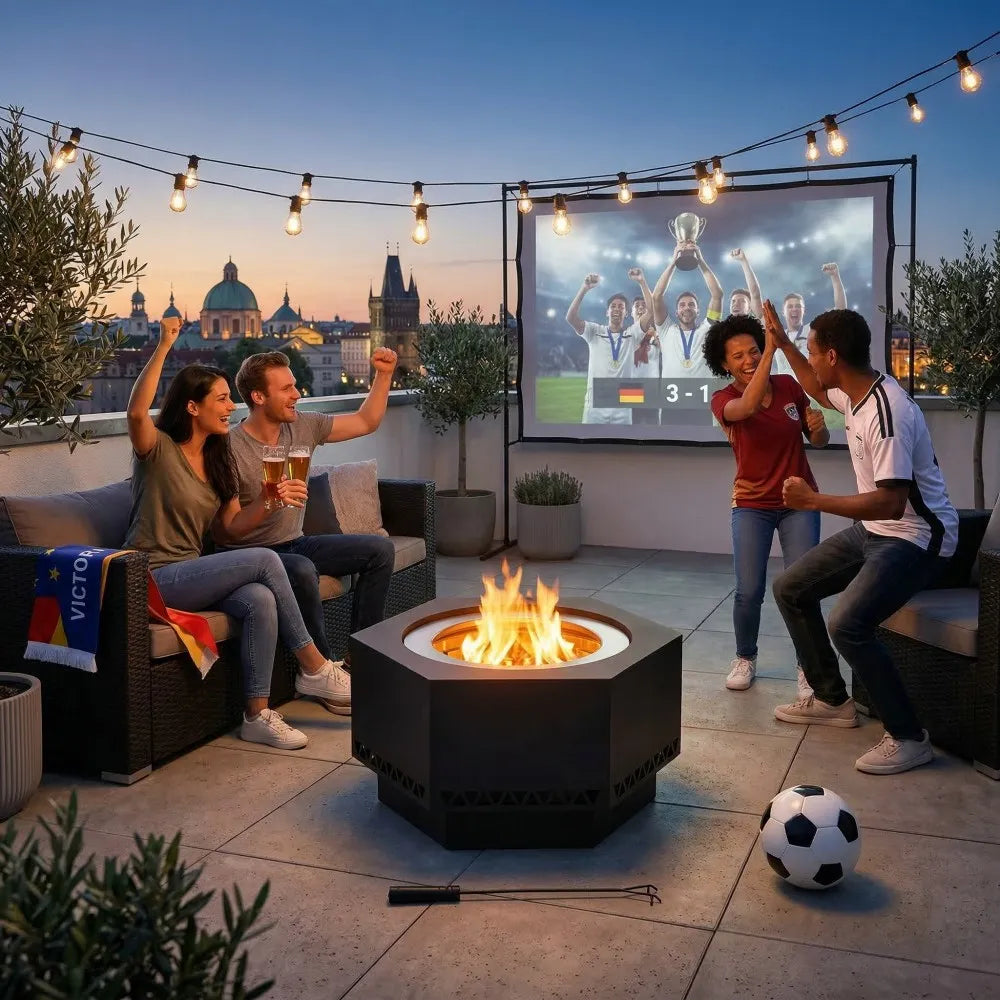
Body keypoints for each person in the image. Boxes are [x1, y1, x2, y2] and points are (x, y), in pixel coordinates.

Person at [124, 319, 351, 751]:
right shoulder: (157, 450)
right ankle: (315, 667)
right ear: (193, 407)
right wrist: (165, 344)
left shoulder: (216, 461)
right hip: (150, 578)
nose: (233, 406)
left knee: (261, 599)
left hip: (191, 573)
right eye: (223, 399)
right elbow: (137, 412)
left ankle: (257, 715)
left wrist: (270, 501)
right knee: (268, 560)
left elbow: (227, 528)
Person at [764, 302, 958, 775]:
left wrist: (813, 502)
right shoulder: (854, 392)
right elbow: (813, 384)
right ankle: (833, 701)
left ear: (832, 356)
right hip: (876, 531)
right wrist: (785, 343)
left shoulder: (887, 413)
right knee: (791, 588)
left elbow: (891, 503)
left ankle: (910, 737)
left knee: (846, 624)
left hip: (916, 537)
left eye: (811, 351)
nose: (808, 362)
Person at [220, 349, 398, 671]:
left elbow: (366, 421)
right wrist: (269, 500)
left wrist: (384, 374)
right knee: (302, 569)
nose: (297, 394)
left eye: (294, 385)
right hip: (252, 554)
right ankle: (323, 670)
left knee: (381, 550)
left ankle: (359, 660)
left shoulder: (303, 426)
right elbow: (229, 530)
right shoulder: (229, 448)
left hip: (295, 540)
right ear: (258, 396)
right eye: (286, 389)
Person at [704, 313, 828, 694]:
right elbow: (750, 405)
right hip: (752, 505)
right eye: (738, 356)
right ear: (724, 364)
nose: (749, 360)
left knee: (803, 588)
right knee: (749, 590)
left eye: (754, 351)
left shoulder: (790, 386)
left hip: (799, 502)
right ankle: (745, 657)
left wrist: (820, 430)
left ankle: (808, 667)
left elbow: (817, 441)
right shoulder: (724, 399)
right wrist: (772, 350)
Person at [566, 271, 653, 424]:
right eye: (613, 306)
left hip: (622, 408)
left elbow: (652, 312)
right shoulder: (594, 331)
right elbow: (571, 318)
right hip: (595, 407)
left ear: (626, 313)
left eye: (621, 307)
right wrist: (584, 288)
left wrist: (642, 282)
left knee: (621, 448)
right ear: (607, 312)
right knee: (592, 447)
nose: (617, 309)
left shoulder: (632, 335)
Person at [648, 243, 723, 378]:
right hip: (673, 398)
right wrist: (673, 262)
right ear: (676, 312)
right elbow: (656, 296)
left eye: (691, 305)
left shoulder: (708, 328)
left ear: (698, 311)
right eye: (682, 305)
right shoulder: (666, 330)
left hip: (704, 397)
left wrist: (700, 260)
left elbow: (717, 294)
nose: (687, 307)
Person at [773, 263, 846, 376]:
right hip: (785, 391)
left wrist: (835, 277)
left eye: (798, 306)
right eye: (790, 306)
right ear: (783, 312)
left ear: (804, 311)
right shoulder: (777, 334)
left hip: (809, 391)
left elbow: (840, 312)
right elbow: (756, 301)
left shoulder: (813, 330)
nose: (794, 309)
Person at [728, 248, 763, 317]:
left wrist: (743, 260)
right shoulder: (722, 326)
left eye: (742, 301)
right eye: (733, 301)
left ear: (750, 308)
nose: (736, 304)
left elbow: (755, 294)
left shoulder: (757, 323)